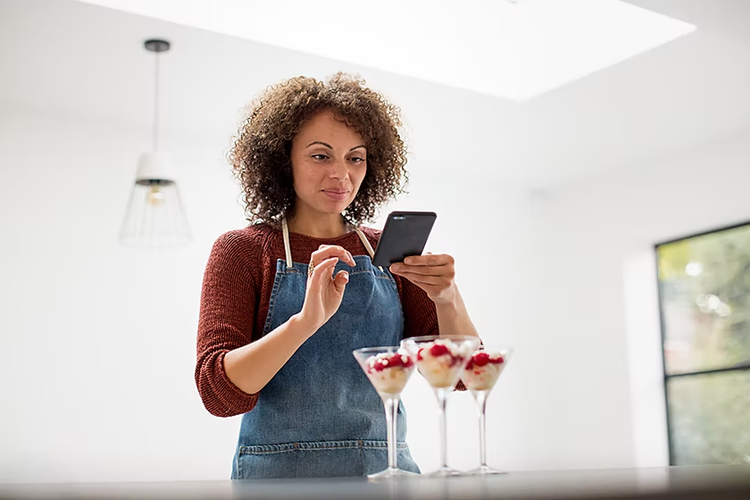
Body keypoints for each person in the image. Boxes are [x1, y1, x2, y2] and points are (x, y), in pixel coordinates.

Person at [195, 73, 480, 479]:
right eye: (320, 155)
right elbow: (218, 394)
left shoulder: (388, 252)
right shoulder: (243, 250)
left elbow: (464, 377)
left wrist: (448, 296)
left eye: (355, 157)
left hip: (387, 475)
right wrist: (304, 323)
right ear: (283, 158)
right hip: (278, 483)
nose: (341, 175)